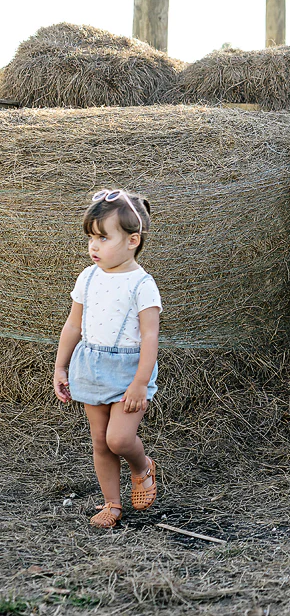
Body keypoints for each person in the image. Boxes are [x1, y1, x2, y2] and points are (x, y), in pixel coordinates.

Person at [53, 189, 162, 528]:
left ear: (132, 240)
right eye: (90, 237)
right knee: (100, 441)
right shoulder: (88, 277)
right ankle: (112, 504)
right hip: (91, 366)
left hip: (129, 371)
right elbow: (74, 325)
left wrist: (140, 383)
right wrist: (60, 365)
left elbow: (150, 336)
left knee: (119, 439)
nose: (93, 246)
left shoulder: (142, 284)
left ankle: (142, 466)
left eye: (102, 237)